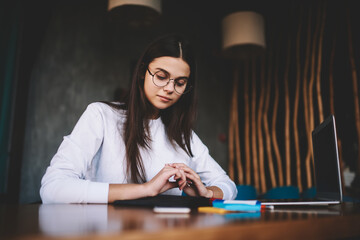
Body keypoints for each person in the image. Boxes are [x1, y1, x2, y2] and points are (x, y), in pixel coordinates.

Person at [40, 34, 237, 204]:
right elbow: (53, 188)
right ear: (143, 72)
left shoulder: (186, 137)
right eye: (161, 76)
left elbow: (228, 186)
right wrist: (146, 189)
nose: (169, 88)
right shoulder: (101, 116)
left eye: (180, 82)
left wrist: (207, 193)